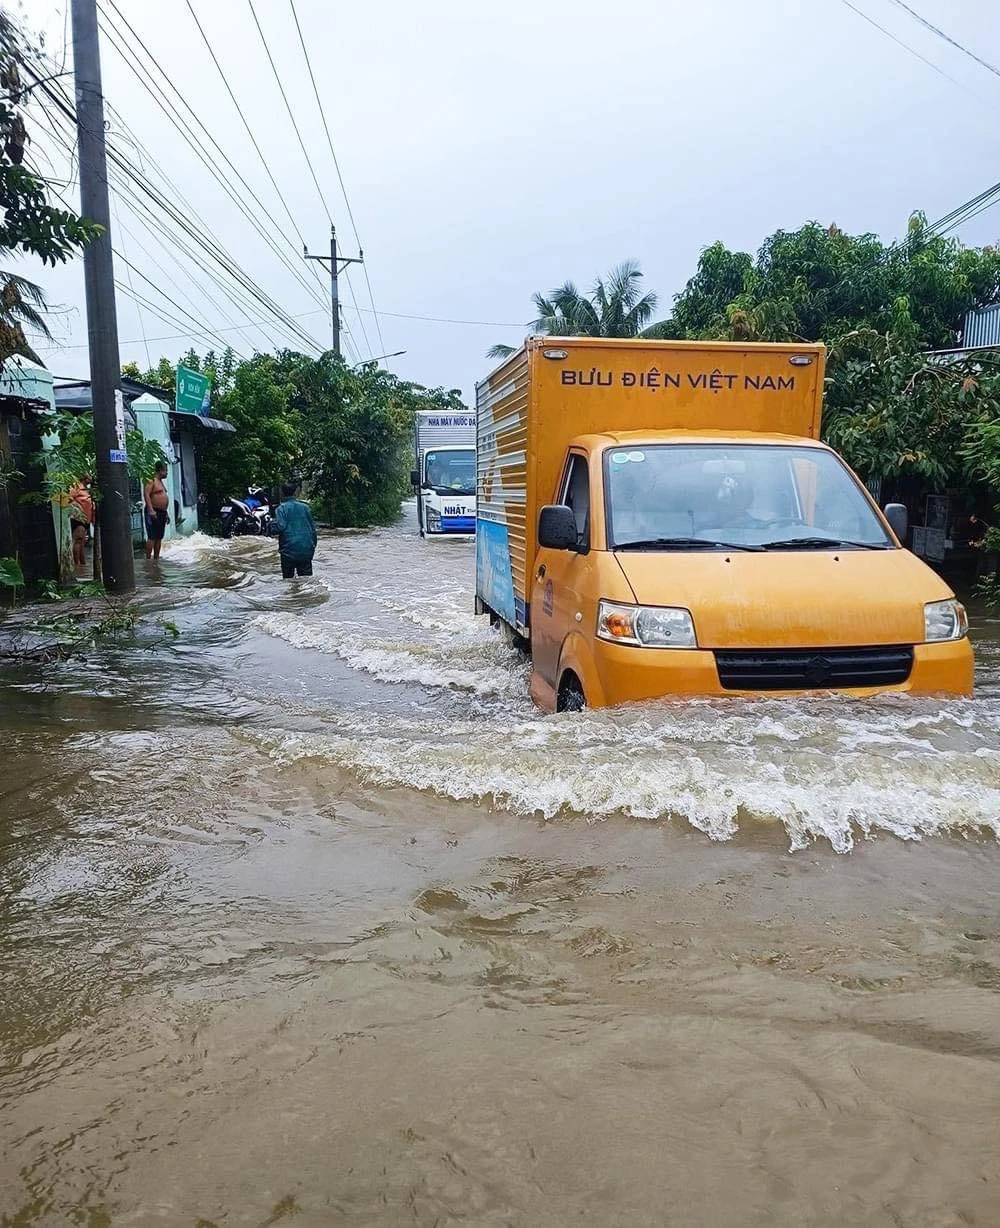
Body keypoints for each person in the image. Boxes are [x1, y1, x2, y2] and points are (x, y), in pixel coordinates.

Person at [274, 482, 317, 579]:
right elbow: (313, 530)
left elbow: (280, 527)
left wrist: (270, 526)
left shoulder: (281, 509)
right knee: (306, 580)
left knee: (288, 580)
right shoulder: (305, 508)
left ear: (282, 493)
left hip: (288, 550)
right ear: (295, 492)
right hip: (306, 549)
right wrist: (312, 546)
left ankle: (292, 595)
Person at [144, 461, 170, 560]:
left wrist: (166, 513)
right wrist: (151, 510)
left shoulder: (161, 482)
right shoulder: (151, 480)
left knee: (159, 537)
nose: (167, 473)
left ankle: (156, 559)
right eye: (165, 471)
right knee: (152, 536)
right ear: (160, 470)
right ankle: (148, 559)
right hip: (153, 511)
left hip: (162, 512)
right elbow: (146, 494)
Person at [68, 476, 94, 570]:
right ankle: (77, 564)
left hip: (86, 519)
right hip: (78, 518)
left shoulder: (88, 489)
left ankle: (82, 564)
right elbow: (69, 500)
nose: (91, 477)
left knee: (82, 542)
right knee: (78, 541)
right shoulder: (76, 487)